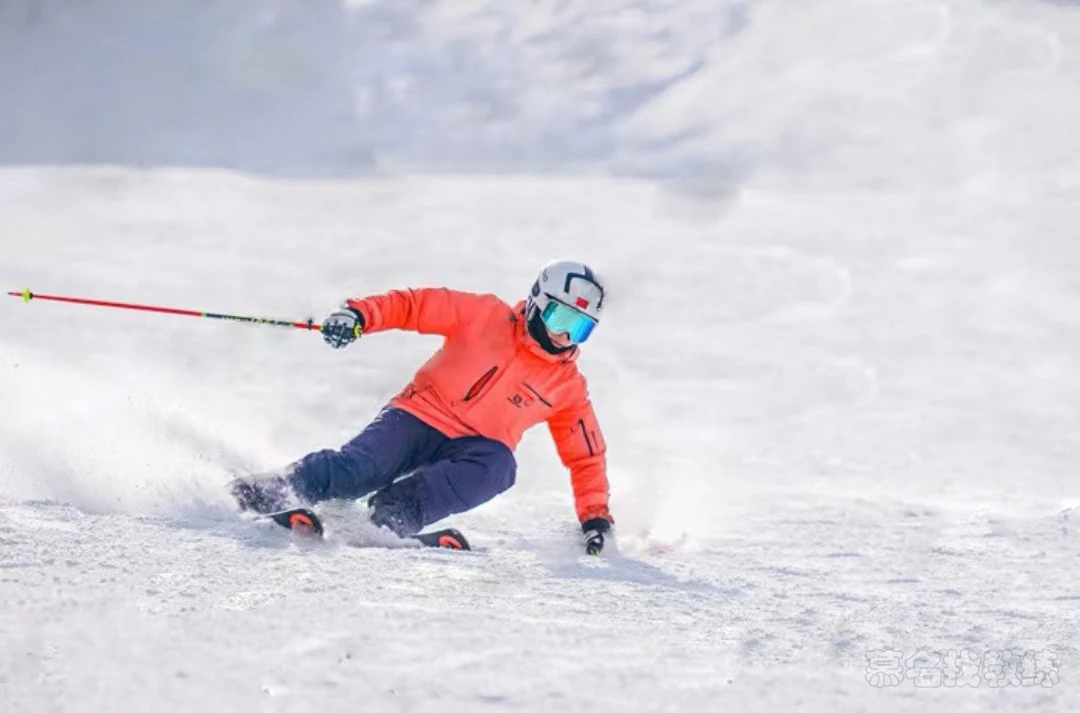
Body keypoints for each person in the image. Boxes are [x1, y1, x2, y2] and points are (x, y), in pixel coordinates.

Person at [232, 260, 613, 555]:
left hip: (474, 448)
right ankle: (278, 489)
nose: (565, 336)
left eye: (580, 328)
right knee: (360, 470)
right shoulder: (484, 315)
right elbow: (413, 306)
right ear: (537, 303)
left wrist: (594, 516)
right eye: (561, 318)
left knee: (500, 466)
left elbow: (586, 456)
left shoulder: (566, 386)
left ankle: (393, 515)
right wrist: (359, 315)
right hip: (418, 416)